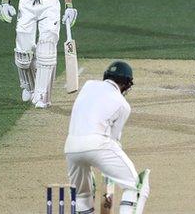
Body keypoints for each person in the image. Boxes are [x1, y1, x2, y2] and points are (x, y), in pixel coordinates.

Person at [64, 61, 151, 214]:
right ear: (126, 84)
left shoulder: (88, 85)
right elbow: (113, 140)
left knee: (81, 195)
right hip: (98, 145)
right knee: (135, 186)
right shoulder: (123, 105)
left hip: (71, 147)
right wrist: (108, 169)